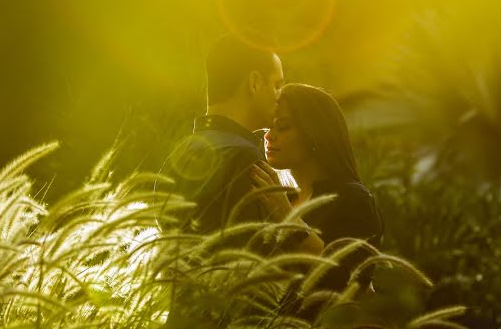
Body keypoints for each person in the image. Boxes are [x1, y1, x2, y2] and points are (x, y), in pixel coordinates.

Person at [249, 83, 383, 306]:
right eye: (268, 128)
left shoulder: (351, 198)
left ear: (314, 133)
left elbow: (349, 281)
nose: (269, 137)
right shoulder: (283, 198)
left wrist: (286, 218)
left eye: (283, 126)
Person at [160, 33, 284, 234]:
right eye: (277, 85)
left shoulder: (179, 155)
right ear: (254, 83)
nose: (280, 96)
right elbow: (257, 253)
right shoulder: (244, 159)